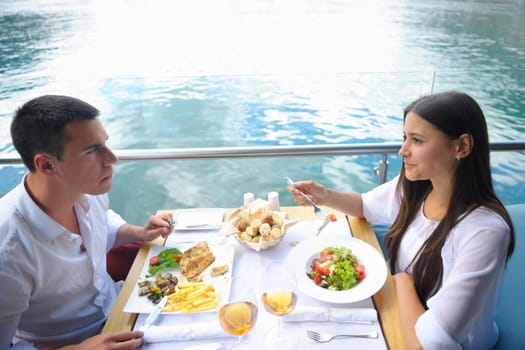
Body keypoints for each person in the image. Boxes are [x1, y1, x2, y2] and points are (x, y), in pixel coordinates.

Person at [286, 91, 515, 350]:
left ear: (461, 146)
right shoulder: (417, 188)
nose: (402, 150)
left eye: (416, 140)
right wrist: (324, 195)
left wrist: (403, 281)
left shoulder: (484, 232)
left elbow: (427, 345)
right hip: (399, 309)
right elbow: (364, 205)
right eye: (405, 137)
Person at [0, 95, 175, 349]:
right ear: (47, 164)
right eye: (92, 151)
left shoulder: (88, 191)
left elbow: (104, 223)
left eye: (105, 144)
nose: (111, 158)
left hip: (124, 310)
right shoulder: (9, 250)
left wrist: (139, 231)